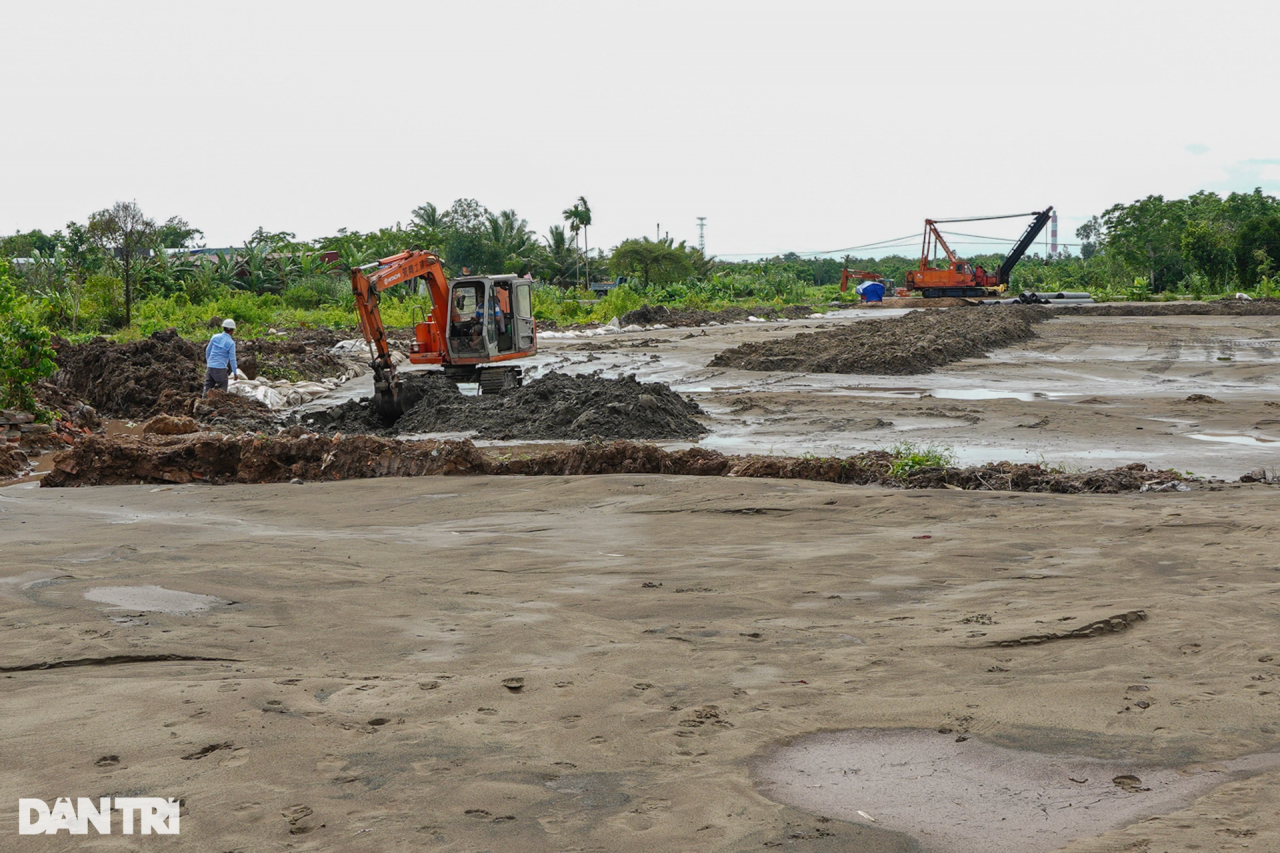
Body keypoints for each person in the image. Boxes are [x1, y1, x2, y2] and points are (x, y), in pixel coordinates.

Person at [204, 318, 239, 396]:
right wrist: (235, 373)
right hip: (220, 369)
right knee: (222, 389)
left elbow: (208, 350)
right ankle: (220, 405)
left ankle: (202, 403)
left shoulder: (215, 337)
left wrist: (209, 362)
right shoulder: (231, 343)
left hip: (210, 367)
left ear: (223, 328)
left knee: (207, 388)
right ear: (232, 331)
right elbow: (232, 359)